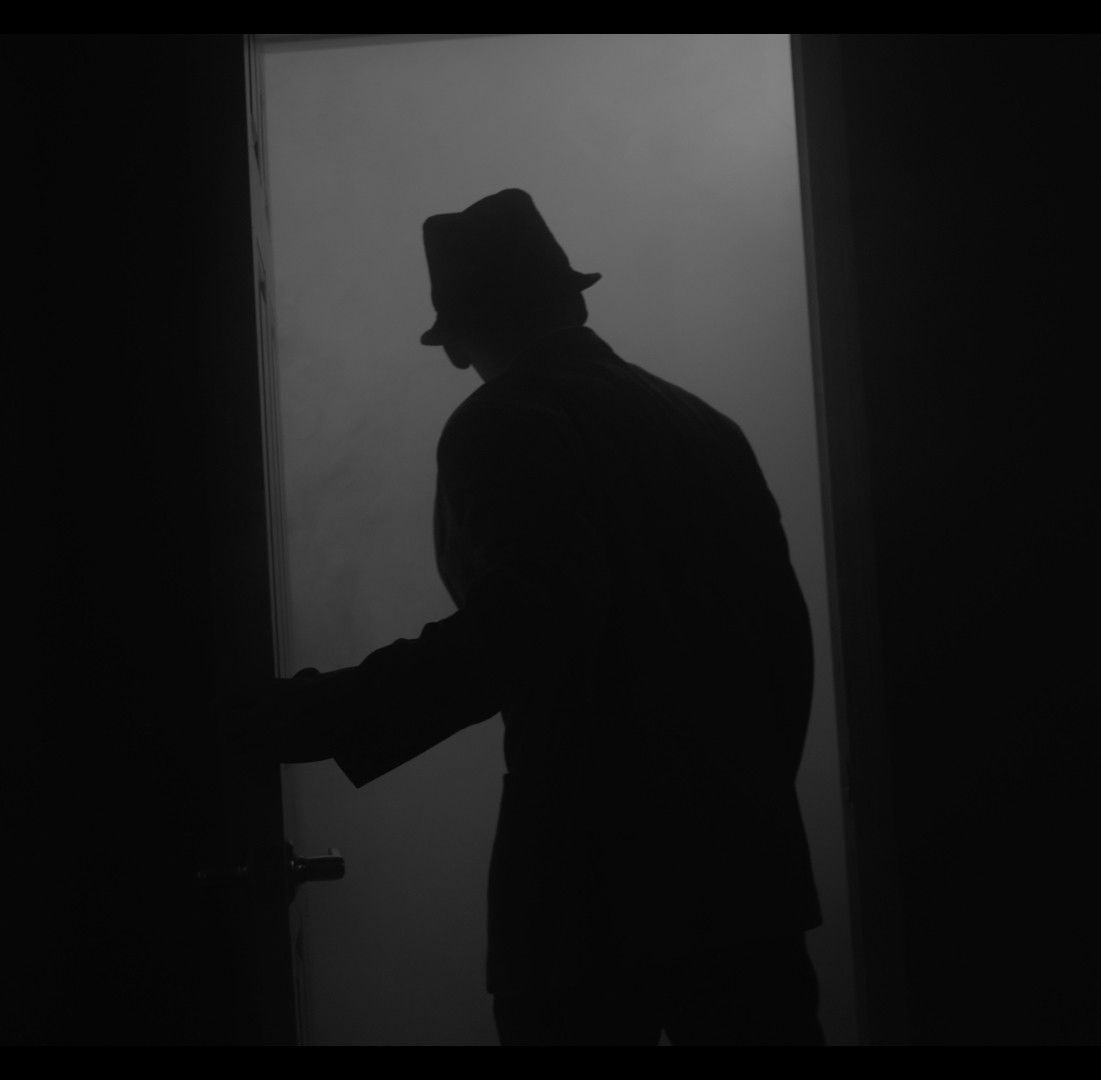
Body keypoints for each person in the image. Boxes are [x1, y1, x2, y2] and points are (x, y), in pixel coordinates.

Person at [224, 188, 826, 1046]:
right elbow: (784, 647)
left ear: (460, 336)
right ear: (573, 301)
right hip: (747, 882)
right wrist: (746, 798)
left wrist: (308, 717)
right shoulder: (707, 428)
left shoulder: (503, 421)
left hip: (588, 897)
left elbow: (521, 634)